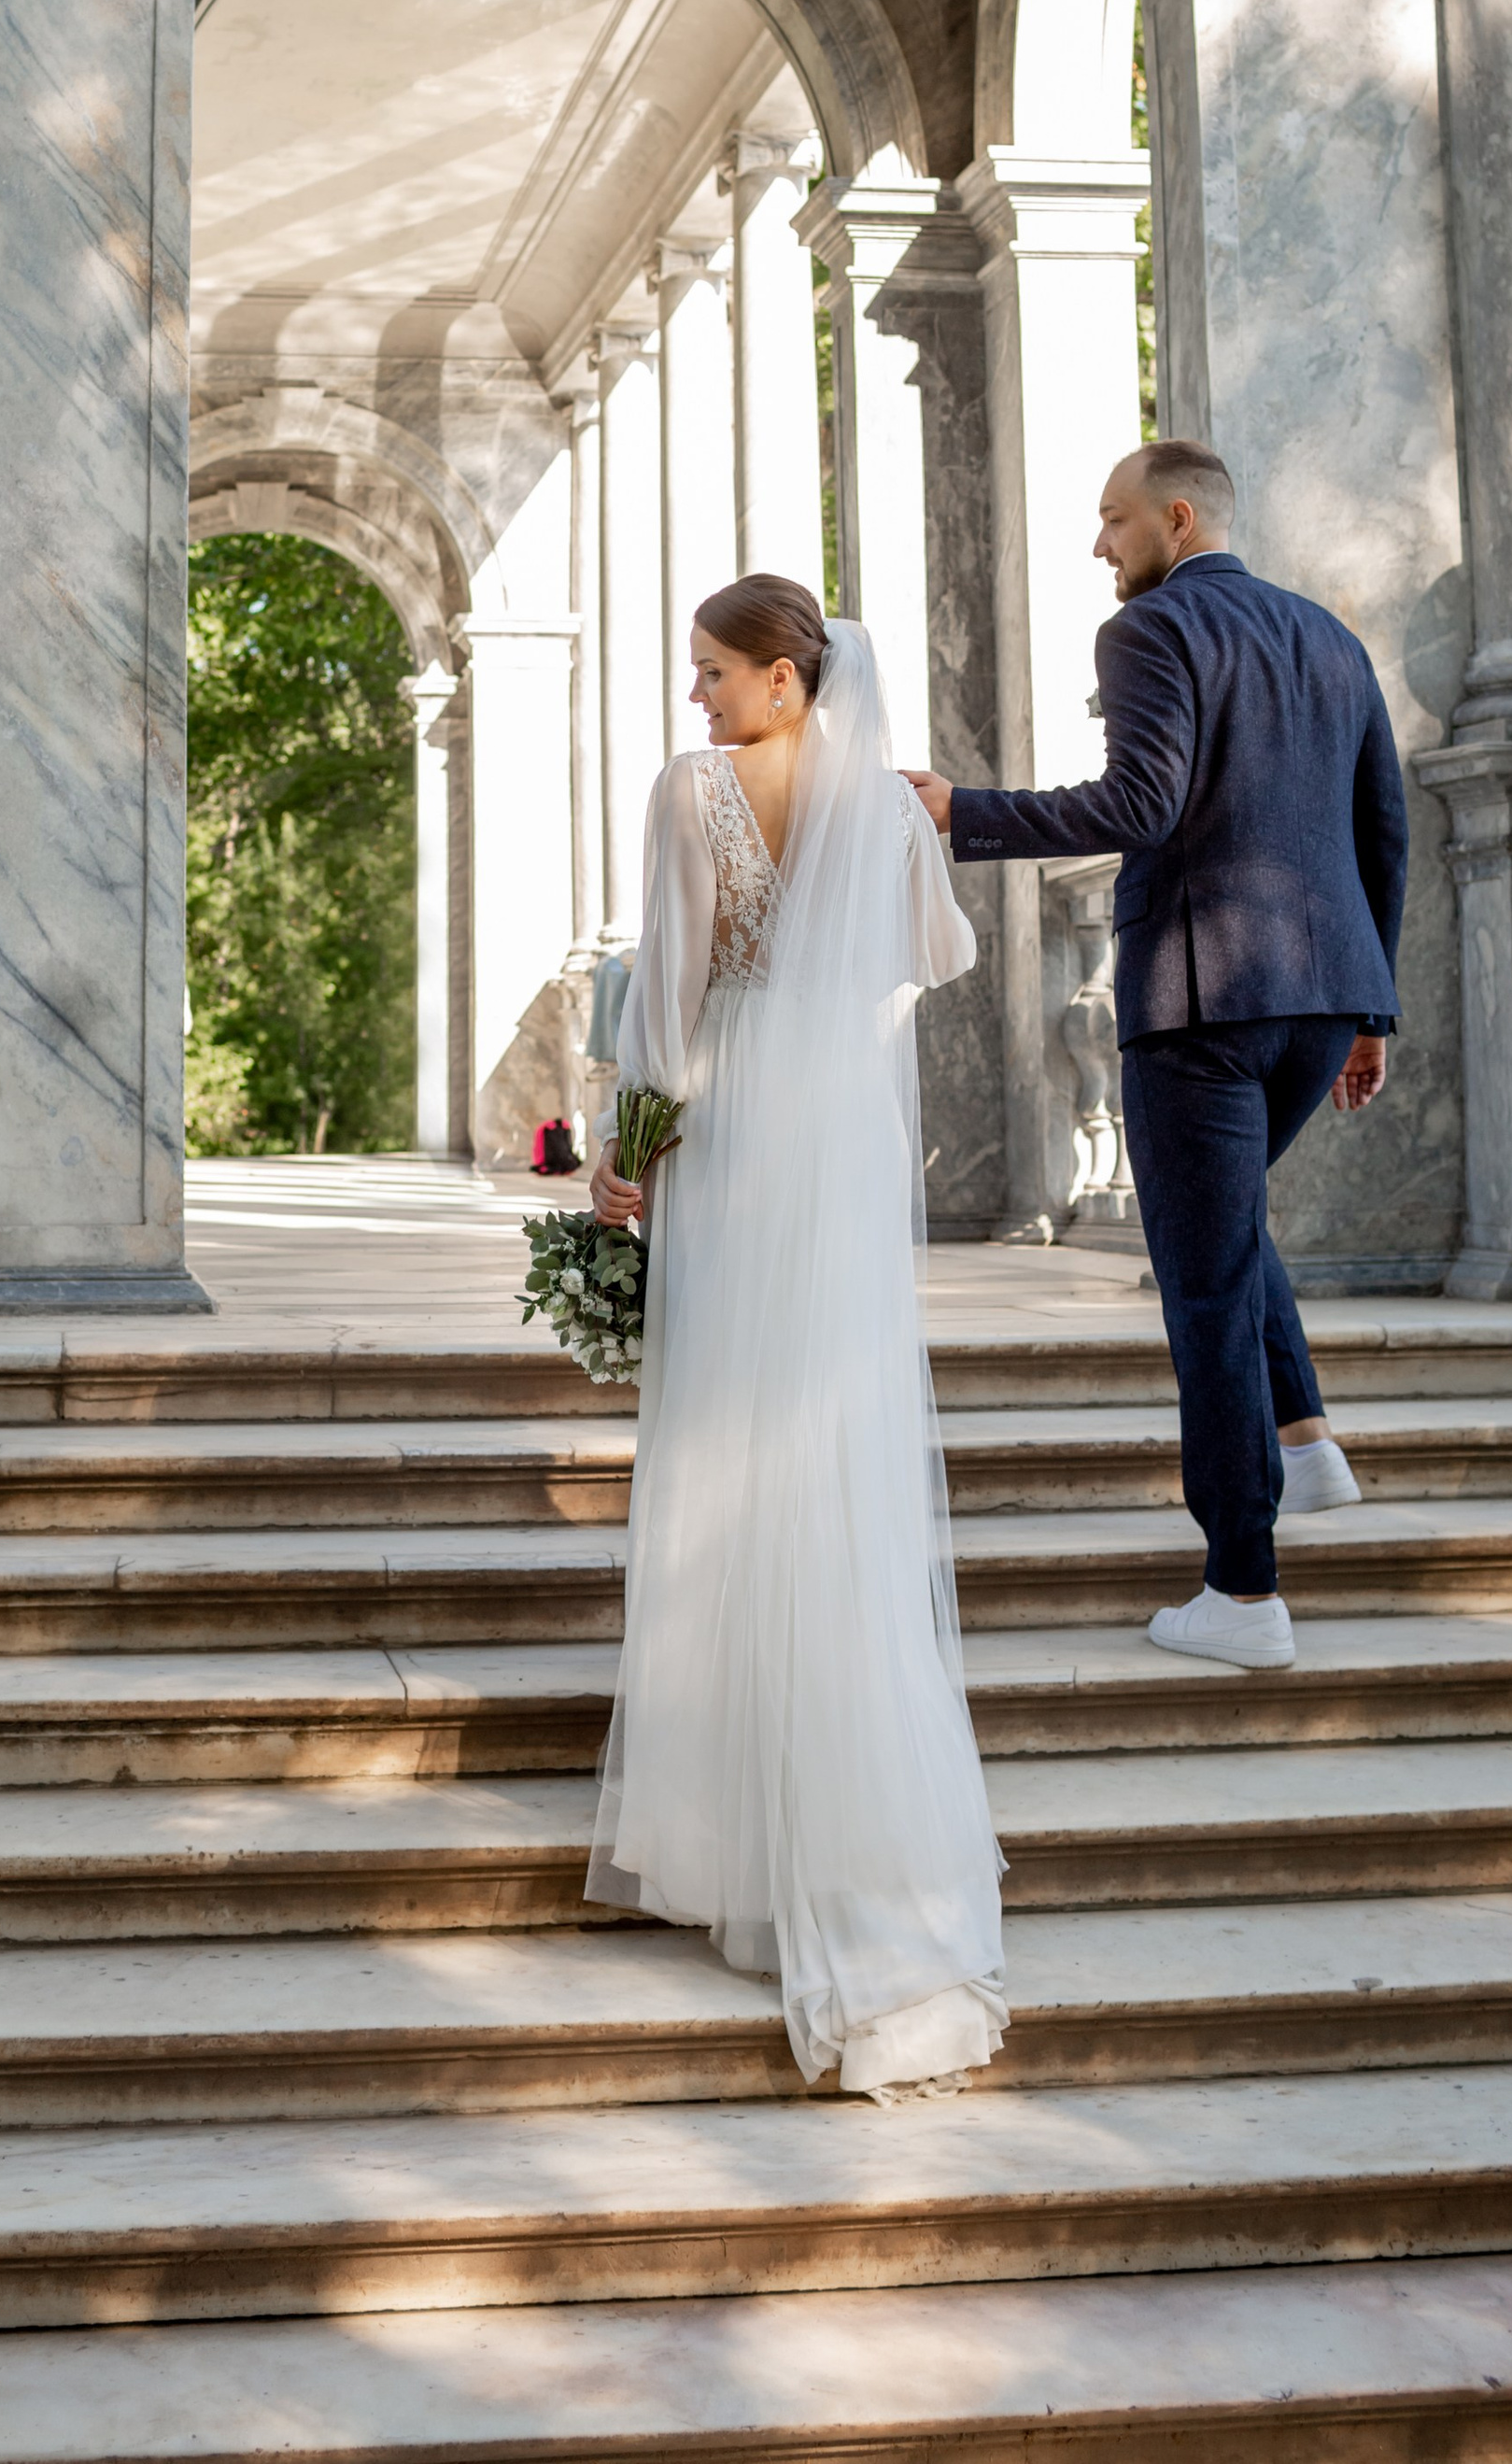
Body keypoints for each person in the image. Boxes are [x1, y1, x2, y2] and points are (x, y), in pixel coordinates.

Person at [588, 574, 1006, 2094]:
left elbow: (669, 997)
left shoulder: (692, 794)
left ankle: (729, 1836)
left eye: (713, 669)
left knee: (725, 1442)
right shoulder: (884, 803)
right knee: (830, 1448)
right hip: (836, 1135)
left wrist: (624, 1151)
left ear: (783, 676)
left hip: (737, 1129)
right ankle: (840, 1820)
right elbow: (937, 954)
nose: (696, 695)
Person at [910, 439, 1406, 1673]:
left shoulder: (1148, 631)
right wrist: (1370, 1012)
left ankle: (1243, 1588)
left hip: (1200, 1001)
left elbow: (1140, 806)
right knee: (1224, 1228)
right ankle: (1306, 1444)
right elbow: (1382, 831)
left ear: (1179, 519)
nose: (1100, 544)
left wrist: (964, 812)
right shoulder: (1334, 641)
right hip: (1320, 1000)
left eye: (1114, 519)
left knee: (1204, 1283)